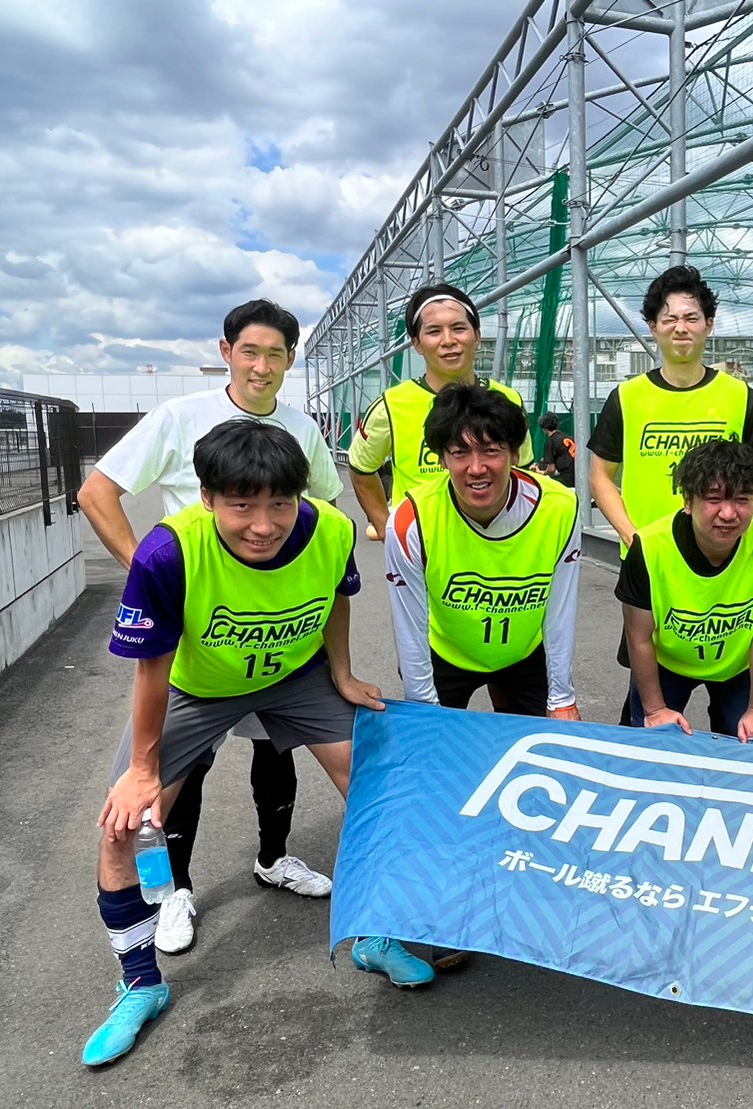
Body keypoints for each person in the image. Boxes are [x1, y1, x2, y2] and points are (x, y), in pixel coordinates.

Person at [81, 420, 425, 1068]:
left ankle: (376, 933)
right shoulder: (167, 553)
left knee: (383, 787)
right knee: (123, 829)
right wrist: (143, 770)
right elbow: (151, 668)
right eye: (241, 505)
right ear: (207, 498)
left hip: (294, 675)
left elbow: (337, 597)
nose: (263, 525)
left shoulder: (332, 528)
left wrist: (343, 672)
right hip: (198, 686)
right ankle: (140, 985)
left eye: (279, 504)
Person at [77, 299, 342, 958]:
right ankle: (177, 890)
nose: (261, 366)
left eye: (275, 353)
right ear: (226, 352)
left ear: (290, 359)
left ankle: (274, 858)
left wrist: (333, 659)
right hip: (202, 637)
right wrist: (149, 576)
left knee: (276, 752)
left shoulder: (301, 429)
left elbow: (325, 523)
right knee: (182, 772)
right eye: (249, 351)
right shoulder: (180, 418)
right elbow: (96, 492)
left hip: (276, 631)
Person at [385, 384, 582, 720]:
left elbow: (560, 610)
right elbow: (410, 626)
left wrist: (562, 698)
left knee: (548, 742)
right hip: (446, 653)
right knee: (431, 742)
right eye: (460, 452)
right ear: (442, 458)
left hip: (524, 653)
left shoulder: (561, 507)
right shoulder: (410, 521)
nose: (476, 468)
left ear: (515, 454)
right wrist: (423, 709)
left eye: (491, 450)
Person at [617, 439, 753, 739]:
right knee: (647, 742)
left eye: (742, 499)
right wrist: (655, 711)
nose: (728, 513)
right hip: (667, 662)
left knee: (751, 743)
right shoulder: (649, 547)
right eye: (714, 499)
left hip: (739, 665)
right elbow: (638, 637)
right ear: (687, 501)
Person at [588, 265, 753, 552]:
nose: (681, 328)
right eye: (670, 319)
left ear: (709, 325)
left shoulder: (740, 395)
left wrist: (739, 527)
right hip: (648, 557)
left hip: (724, 558)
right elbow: (600, 476)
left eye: (691, 318)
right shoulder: (626, 397)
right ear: (654, 327)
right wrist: (633, 538)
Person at [348, 283, 532, 540]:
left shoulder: (508, 400)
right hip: (422, 545)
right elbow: (361, 467)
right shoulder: (391, 405)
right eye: (434, 331)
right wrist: (387, 529)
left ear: (477, 336)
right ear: (417, 344)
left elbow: (523, 471)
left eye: (458, 328)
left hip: (500, 542)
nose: (448, 341)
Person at [535, 411, 577, 487]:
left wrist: (542, 472)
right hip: (578, 476)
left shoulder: (551, 441)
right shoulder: (567, 437)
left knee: (541, 484)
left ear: (544, 428)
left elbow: (551, 469)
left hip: (566, 479)